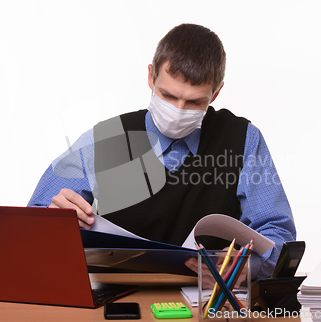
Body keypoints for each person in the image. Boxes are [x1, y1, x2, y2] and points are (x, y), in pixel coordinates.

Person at [28, 23, 296, 280]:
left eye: (194, 101)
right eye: (167, 95)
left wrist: (247, 265)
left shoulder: (244, 140)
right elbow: (32, 224)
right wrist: (55, 220)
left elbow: (278, 234)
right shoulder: (105, 140)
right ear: (150, 76)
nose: (178, 110)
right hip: (118, 298)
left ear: (215, 94)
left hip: (207, 300)